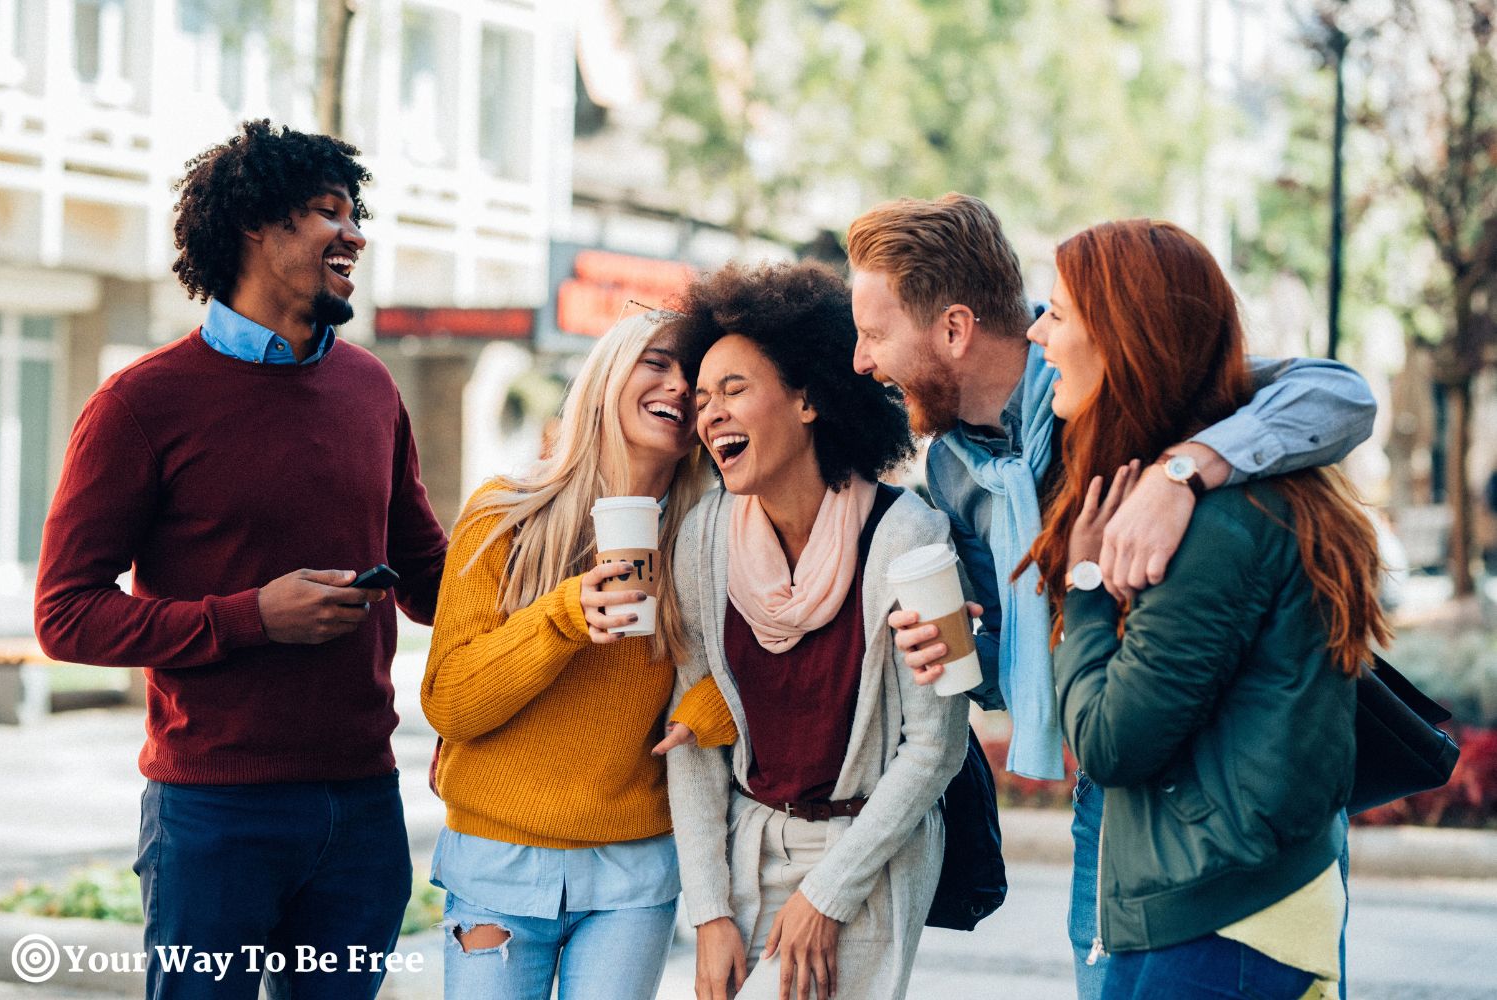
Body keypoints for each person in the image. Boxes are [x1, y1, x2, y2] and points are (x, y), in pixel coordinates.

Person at [846, 193, 1376, 998]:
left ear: (954, 330)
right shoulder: (955, 470)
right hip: (1117, 794)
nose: (862, 359)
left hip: (1215, 814)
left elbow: (1339, 396)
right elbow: (1036, 650)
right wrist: (967, 653)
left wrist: (1184, 469)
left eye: (875, 334)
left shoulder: (1123, 384)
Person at [33, 120, 449, 999]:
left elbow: (432, 580)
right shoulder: (141, 404)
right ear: (256, 226)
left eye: (355, 214)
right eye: (327, 213)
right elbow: (65, 613)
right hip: (216, 813)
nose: (355, 235)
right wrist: (253, 616)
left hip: (366, 809)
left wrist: (558, 561)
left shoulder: (371, 387)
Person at [1026, 218, 1384, 999]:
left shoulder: (1210, 524)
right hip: (1205, 900)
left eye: (1055, 314)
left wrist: (1086, 590)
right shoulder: (1186, 491)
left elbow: (1112, 743)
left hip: (1223, 918)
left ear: (1124, 341)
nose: (1037, 333)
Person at [661, 261, 968, 1000]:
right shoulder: (702, 541)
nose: (712, 415)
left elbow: (937, 745)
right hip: (747, 851)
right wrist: (708, 914)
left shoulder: (909, 537)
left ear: (806, 399)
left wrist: (827, 895)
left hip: (867, 860)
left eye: (735, 390)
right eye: (703, 399)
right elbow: (695, 739)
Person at [421, 310, 738, 1000]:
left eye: (699, 378)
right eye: (657, 362)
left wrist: (711, 709)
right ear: (608, 373)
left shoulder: (712, 536)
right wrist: (564, 616)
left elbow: (752, 670)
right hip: (495, 866)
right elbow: (450, 701)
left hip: (632, 872)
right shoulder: (505, 514)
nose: (680, 386)